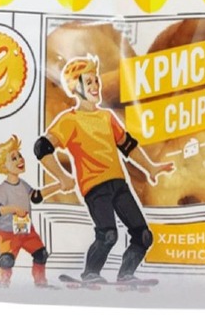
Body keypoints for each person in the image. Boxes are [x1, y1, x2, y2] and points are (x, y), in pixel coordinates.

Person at [34, 55, 173, 283]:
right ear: (75, 87)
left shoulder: (107, 117)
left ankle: (126, 275)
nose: (95, 86)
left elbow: (127, 145)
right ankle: (90, 274)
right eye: (89, 82)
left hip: (119, 183)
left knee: (143, 236)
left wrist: (150, 167)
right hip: (94, 187)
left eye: (96, 80)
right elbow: (41, 148)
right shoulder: (69, 120)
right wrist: (62, 176)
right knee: (108, 235)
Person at [0, 135, 58, 288]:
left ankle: (40, 282)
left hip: (27, 231)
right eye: (13, 158)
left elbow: (36, 196)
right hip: (8, 234)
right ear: (4, 167)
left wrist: (58, 186)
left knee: (41, 254)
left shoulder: (23, 185)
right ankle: (2, 283)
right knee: (6, 260)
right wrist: (13, 208)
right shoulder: (2, 189)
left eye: (19, 156)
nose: (20, 160)